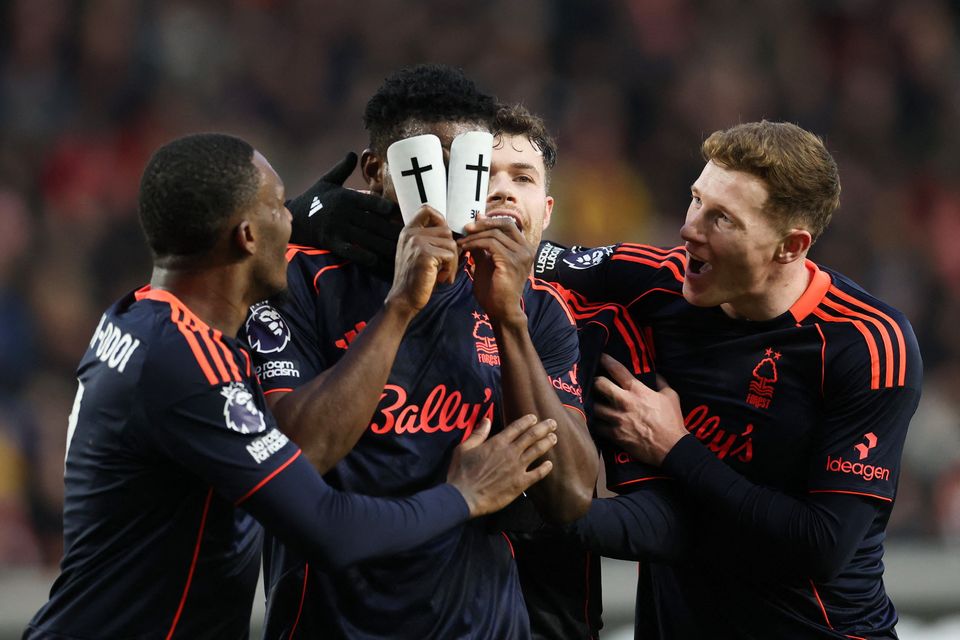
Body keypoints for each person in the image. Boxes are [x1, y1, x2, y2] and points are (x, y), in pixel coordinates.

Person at [24, 133, 561, 639]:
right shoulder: (188, 362)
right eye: (281, 207)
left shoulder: (135, 318)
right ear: (247, 236)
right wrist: (464, 496)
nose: (297, 220)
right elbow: (328, 528)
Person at [246, 65, 597, 639]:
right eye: (432, 162)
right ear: (376, 172)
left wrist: (508, 320)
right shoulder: (298, 283)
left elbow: (571, 495)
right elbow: (298, 457)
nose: (454, 183)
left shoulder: (533, 308)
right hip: (331, 626)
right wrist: (400, 306)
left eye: (469, 165)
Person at [535, 120, 922, 638]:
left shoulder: (868, 344)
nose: (690, 228)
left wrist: (676, 447)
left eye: (722, 219)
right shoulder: (661, 280)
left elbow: (821, 545)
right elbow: (517, 255)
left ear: (790, 246)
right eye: (697, 200)